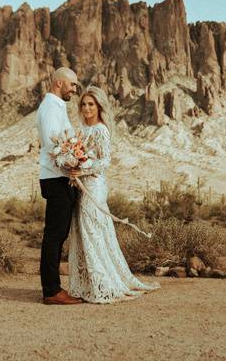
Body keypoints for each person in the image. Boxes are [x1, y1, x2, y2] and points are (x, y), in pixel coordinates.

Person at [67, 85, 160, 303]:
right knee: (81, 230)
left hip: (94, 186)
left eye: (91, 104)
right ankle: (88, 283)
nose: (87, 108)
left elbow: (105, 160)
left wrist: (83, 169)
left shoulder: (101, 130)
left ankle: (105, 283)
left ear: (99, 107)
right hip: (80, 185)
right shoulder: (81, 129)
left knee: (93, 230)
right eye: (84, 104)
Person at [36, 67, 83, 305]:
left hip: (60, 177)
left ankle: (53, 288)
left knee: (58, 234)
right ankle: (51, 291)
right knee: (54, 235)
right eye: (72, 85)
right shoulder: (50, 108)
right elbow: (54, 145)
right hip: (56, 178)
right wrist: (73, 162)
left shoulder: (56, 107)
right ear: (59, 84)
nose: (75, 89)